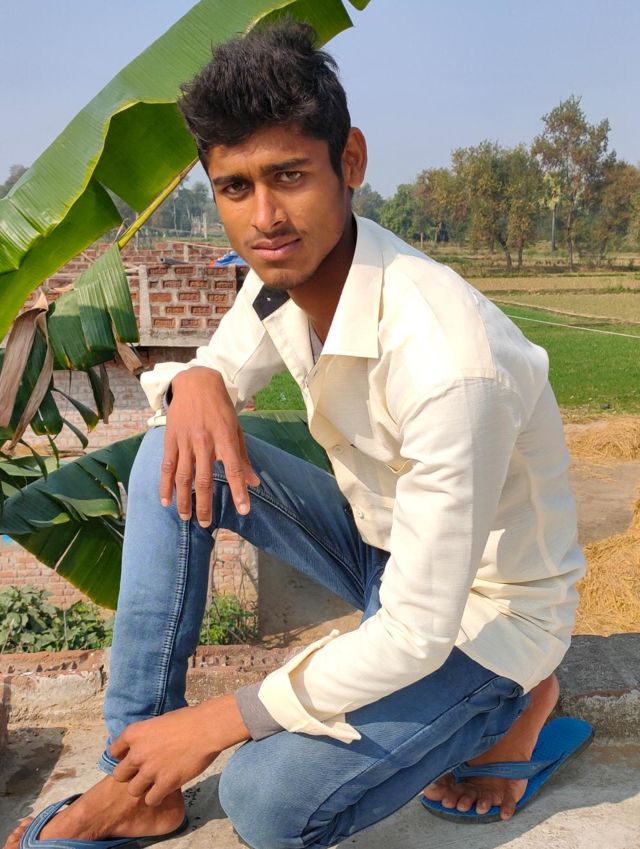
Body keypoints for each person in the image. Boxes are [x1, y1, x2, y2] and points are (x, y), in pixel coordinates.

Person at [6, 20, 592, 849]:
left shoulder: (450, 362)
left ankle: (515, 701)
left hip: (487, 613)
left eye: (289, 176)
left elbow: (418, 629)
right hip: (385, 553)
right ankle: (134, 779)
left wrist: (221, 719)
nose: (265, 217)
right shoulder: (282, 280)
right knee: (169, 453)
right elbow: (220, 365)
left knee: (265, 799)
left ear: (349, 161)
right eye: (234, 186)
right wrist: (196, 381)